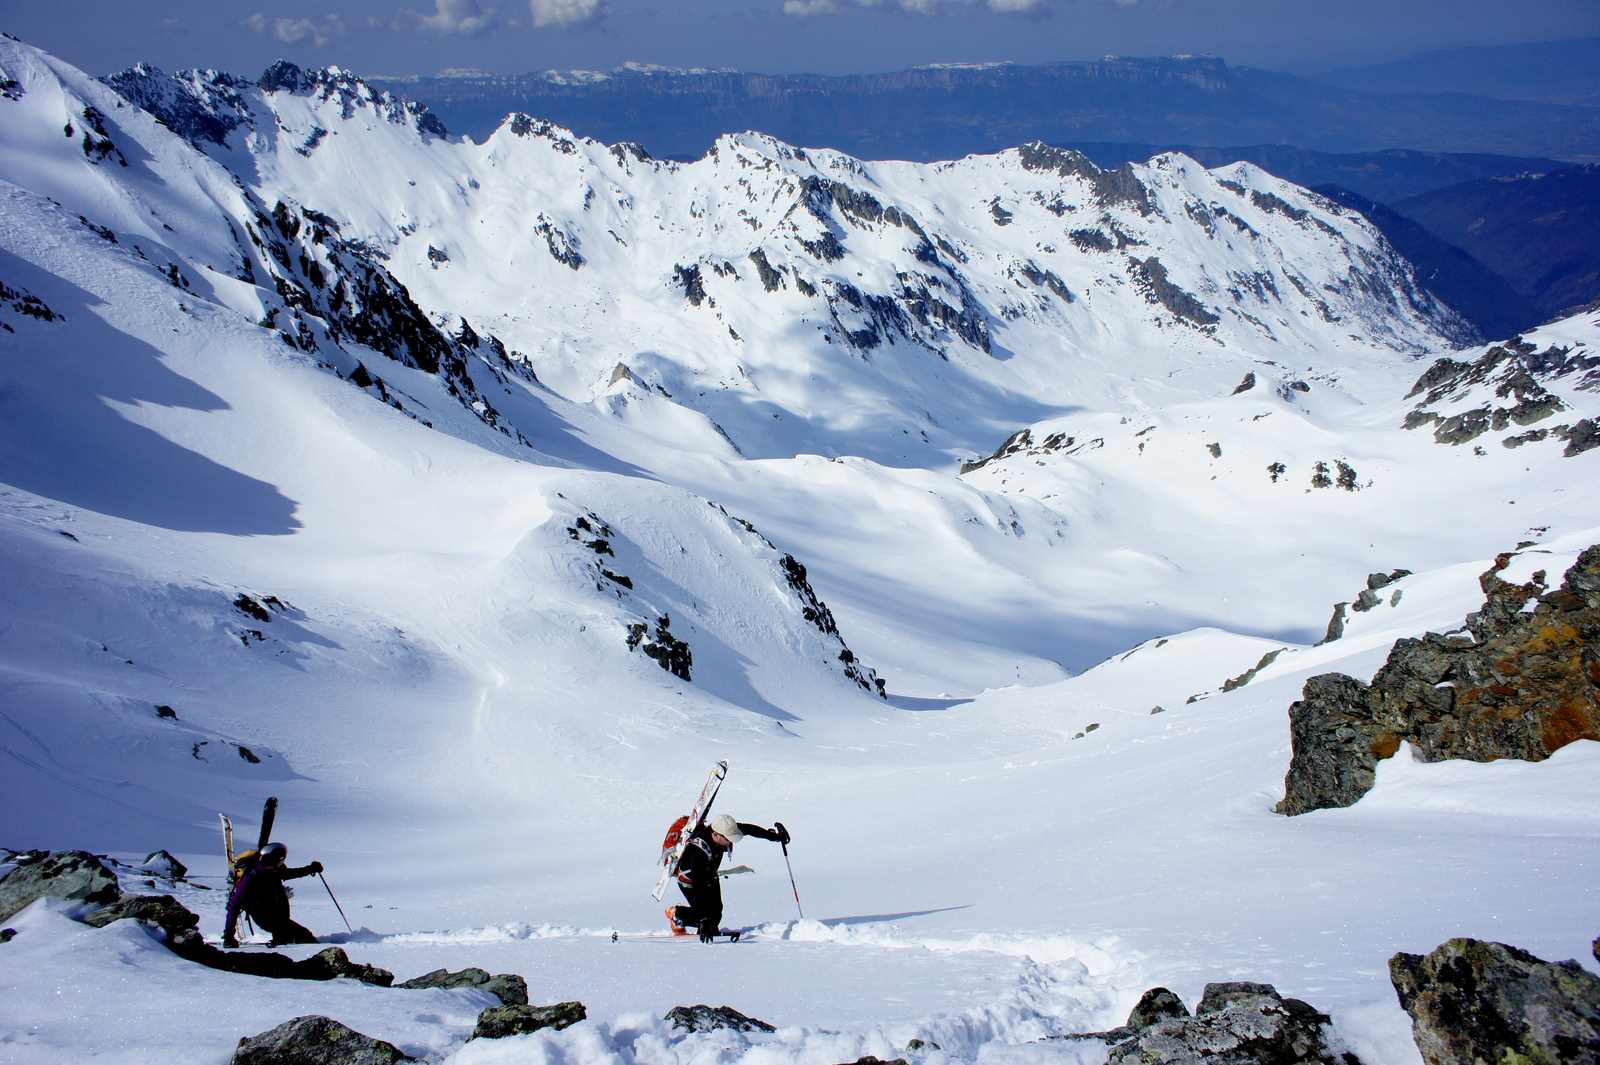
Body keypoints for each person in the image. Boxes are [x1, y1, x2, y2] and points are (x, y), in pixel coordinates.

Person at [666, 813, 789, 942]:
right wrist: (704, 920)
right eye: (729, 839)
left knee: (715, 914)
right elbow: (698, 887)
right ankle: (676, 914)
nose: (731, 841)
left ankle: (706, 926)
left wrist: (774, 837)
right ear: (716, 835)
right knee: (704, 915)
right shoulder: (697, 852)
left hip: (709, 875)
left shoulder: (723, 830)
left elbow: (748, 829)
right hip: (691, 882)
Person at [222, 842, 324, 947]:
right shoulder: (251, 878)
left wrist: (311, 869)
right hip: (267, 919)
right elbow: (234, 906)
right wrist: (228, 937)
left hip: (278, 918)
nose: (282, 863)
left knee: (305, 936)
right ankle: (281, 939)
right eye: (281, 859)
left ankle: (281, 938)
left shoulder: (273, 870)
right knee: (306, 938)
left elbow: (291, 873)